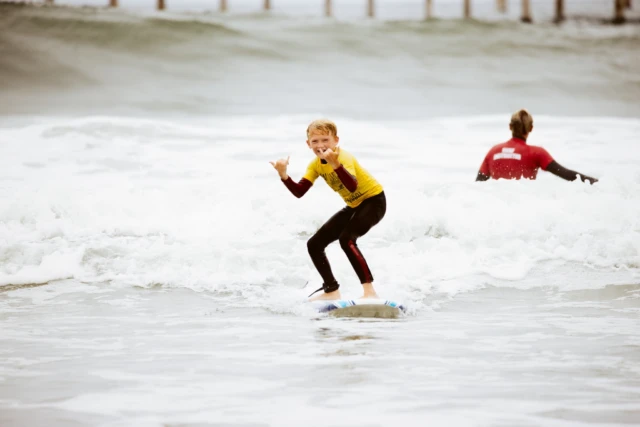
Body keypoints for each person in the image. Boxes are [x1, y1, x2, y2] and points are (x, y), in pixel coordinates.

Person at [269, 119, 386, 301]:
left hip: (374, 201)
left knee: (347, 239)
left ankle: (370, 292)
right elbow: (300, 191)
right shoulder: (315, 165)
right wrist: (283, 175)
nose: (320, 145)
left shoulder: (343, 157)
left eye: (325, 140)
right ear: (308, 144)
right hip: (354, 206)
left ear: (336, 140)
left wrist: (335, 164)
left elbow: (352, 187)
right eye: (315, 141)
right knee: (314, 244)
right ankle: (331, 290)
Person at [476, 109, 598, 184]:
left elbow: (478, 185)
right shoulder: (536, 153)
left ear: (510, 127)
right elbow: (566, 174)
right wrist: (594, 182)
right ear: (531, 128)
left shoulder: (493, 151)